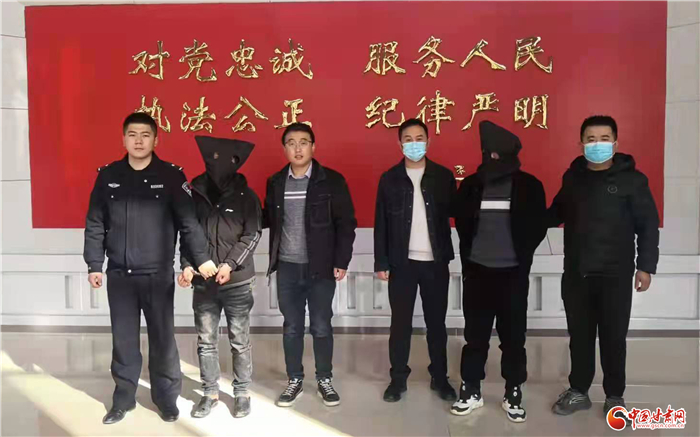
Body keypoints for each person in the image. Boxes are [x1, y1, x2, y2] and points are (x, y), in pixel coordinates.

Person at [83, 112, 217, 424]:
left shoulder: (171, 176)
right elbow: (95, 222)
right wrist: (94, 263)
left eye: (145, 135)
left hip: (157, 275)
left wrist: (201, 258)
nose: (139, 141)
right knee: (124, 341)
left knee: (163, 340)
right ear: (123, 139)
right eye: (132, 134)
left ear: (156, 140)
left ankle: (166, 399)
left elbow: (188, 222)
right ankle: (123, 399)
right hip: (120, 274)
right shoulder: (109, 176)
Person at [548, 115, 659, 420]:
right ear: (581, 143)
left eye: (604, 138)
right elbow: (555, 212)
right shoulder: (573, 178)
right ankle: (579, 391)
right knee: (580, 337)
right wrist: (522, 219)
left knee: (613, 338)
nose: (597, 144)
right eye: (591, 139)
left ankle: (614, 396)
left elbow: (647, 225)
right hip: (577, 274)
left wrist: (645, 267)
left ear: (616, 143)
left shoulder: (632, 180)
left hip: (615, 274)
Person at [450, 121, 547, 422]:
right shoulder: (471, 185)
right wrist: (472, 258)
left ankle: (513, 390)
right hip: (478, 273)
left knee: (513, 338)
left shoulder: (529, 186)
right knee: (475, 337)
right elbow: (463, 225)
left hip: (512, 275)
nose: (492, 158)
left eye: (497, 153)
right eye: (488, 153)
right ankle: (471, 389)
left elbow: (537, 227)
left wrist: (521, 256)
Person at [263, 123, 357, 408]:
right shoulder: (276, 182)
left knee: (321, 325)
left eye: (303, 142)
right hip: (287, 267)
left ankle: (324, 378)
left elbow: (346, 223)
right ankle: (294, 379)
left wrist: (341, 260)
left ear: (313, 147)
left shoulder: (332, 181)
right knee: (292, 326)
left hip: (321, 267)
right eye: (291, 143)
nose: (298, 148)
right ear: (284, 149)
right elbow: (268, 219)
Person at [178, 136, 262, 419]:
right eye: (212, 158)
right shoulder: (194, 195)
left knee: (240, 340)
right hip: (203, 283)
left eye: (226, 159)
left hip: (237, 282)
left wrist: (229, 264)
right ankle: (210, 392)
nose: (219, 164)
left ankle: (242, 393)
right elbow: (188, 234)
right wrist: (187, 266)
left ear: (236, 163)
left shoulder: (247, 197)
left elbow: (252, 235)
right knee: (206, 342)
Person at [374, 118, 457, 403]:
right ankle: (398, 379)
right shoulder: (389, 178)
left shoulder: (443, 176)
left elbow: (458, 214)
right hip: (402, 263)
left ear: (428, 141)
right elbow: (381, 223)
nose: (414, 144)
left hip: (436, 262)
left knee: (436, 324)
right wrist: (381, 262)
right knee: (400, 325)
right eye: (408, 139)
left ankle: (440, 378)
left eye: (419, 138)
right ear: (400, 144)